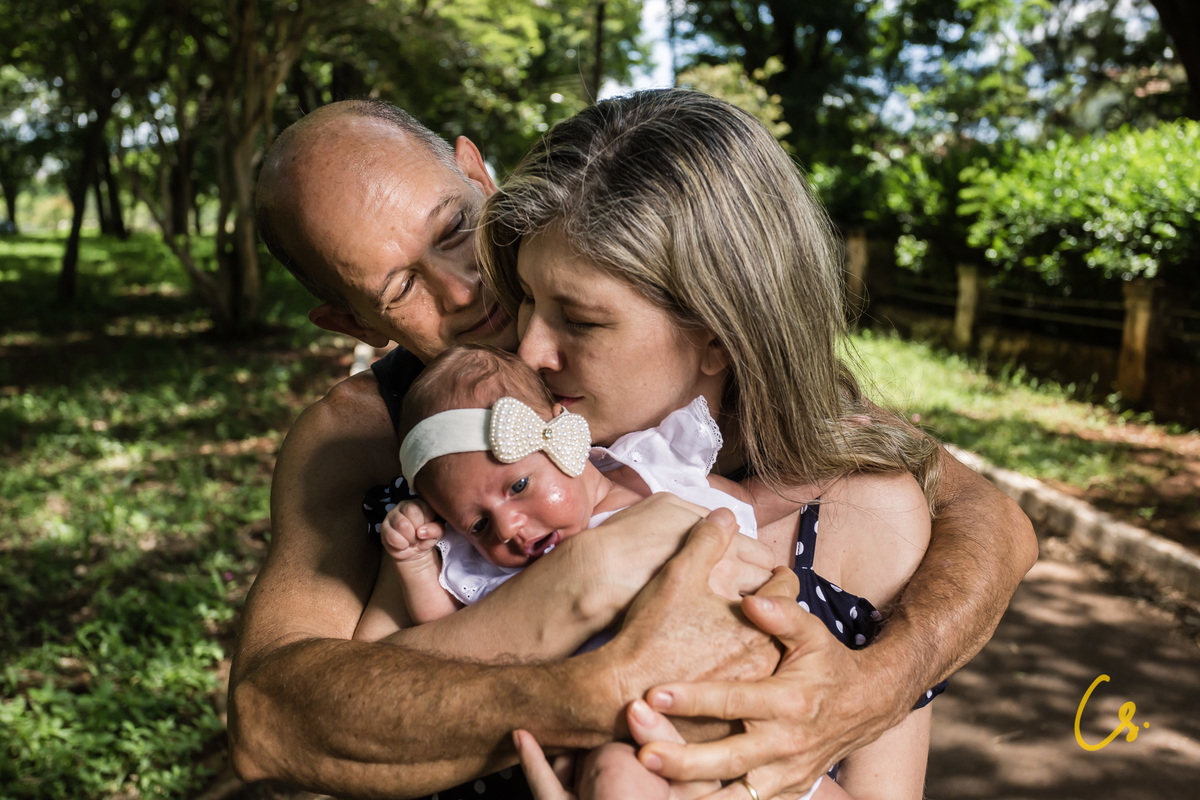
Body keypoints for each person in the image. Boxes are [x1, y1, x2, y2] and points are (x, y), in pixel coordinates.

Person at [230, 95, 1037, 800]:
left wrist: (877, 686)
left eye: (457, 231)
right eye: (400, 288)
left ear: (482, 179)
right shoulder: (365, 436)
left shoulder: (667, 321)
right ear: (355, 325)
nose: (468, 292)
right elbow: (271, 716)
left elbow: (980, 514)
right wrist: (582, 643)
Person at [355, 344, 762, 638]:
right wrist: (414, 563)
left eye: (517, 486)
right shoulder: (504, 575)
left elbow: (745, 505)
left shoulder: (651, 473)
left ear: (563, 437)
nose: (506, 527)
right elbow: (442, 629)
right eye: (477, 525)